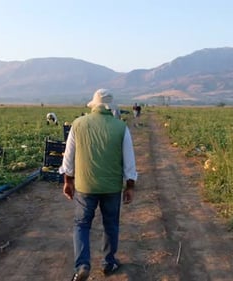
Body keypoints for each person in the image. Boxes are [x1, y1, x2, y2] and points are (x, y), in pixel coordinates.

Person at [59, 88, 137, 281]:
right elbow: (129, 161)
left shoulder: (78, 124)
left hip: (85, 186)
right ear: (111, 107)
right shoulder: (120, 127)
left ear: (93, 105)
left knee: (82, 224)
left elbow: (68, 158)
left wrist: (68, 181)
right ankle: (109, 262)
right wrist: (130, 186)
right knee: (110, 224)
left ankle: (82, 265)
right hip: (111, 187)